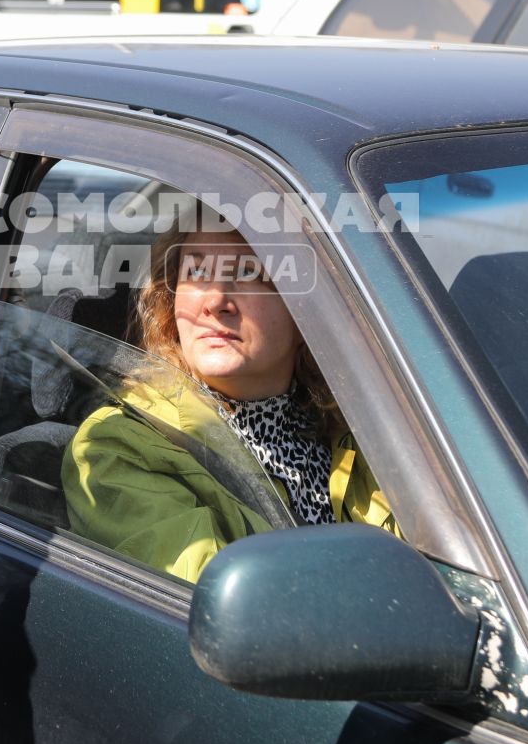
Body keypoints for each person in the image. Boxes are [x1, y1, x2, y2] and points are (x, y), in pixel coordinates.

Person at [64, 225, 398, 582]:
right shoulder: (118, 446)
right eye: (196, 272)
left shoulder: (369, 437)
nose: (215, 301)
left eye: (250, 272)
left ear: (309, 312)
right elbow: (233, 611)